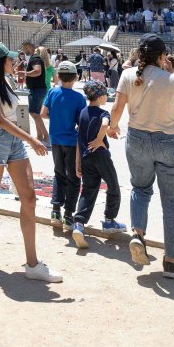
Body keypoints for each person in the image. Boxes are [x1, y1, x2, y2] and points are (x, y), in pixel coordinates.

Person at [0, 43, 59, 282]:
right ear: (0, 62)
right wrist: (32, 139)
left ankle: (32, 263)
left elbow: (13, 114)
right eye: (10, 59)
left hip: (13, 138)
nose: (14, 61)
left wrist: (25, 134)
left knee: (29, 197)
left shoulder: (5, 80)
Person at [108, 34, 174, 278]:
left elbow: (117, 108)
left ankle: (138, 234)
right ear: (162, 55)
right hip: (167, 139)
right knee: (172, 202)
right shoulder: (173, 79)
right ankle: (170, 260)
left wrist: (112, 127)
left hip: (137, 138)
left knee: (140, 189)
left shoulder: (127, 75)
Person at [70, 81, 124, 247]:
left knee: (88, 190)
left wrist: (77, 161)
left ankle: (78, 224)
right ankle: (109, 220)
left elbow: (79, 139)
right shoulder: (103, 113)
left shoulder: (82, 113)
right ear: (100, 97)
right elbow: (105, 124)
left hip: (86, 157)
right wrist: (100, 139)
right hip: (100, 155)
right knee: (113, 185)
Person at [41, 60, 86, 232]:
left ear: (58, 76)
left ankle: (55, 211)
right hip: (71, 142)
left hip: (56, 139)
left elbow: (43, 114)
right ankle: (68, 215)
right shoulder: (78, 98)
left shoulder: (52, 92)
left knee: (58, 174)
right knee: (74, 177)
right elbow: (81, 122)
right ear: (75, 77)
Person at [20, 41, 50, 142]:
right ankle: (39, 136)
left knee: (34, 113)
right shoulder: (35, 57)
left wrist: (24, 73)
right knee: (36, 113)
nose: (24, 51)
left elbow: (37, 71)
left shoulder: (35, 58)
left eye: (24, 49)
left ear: (28, 47)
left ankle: (46, 136)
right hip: (38, 89)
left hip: (37, 90)